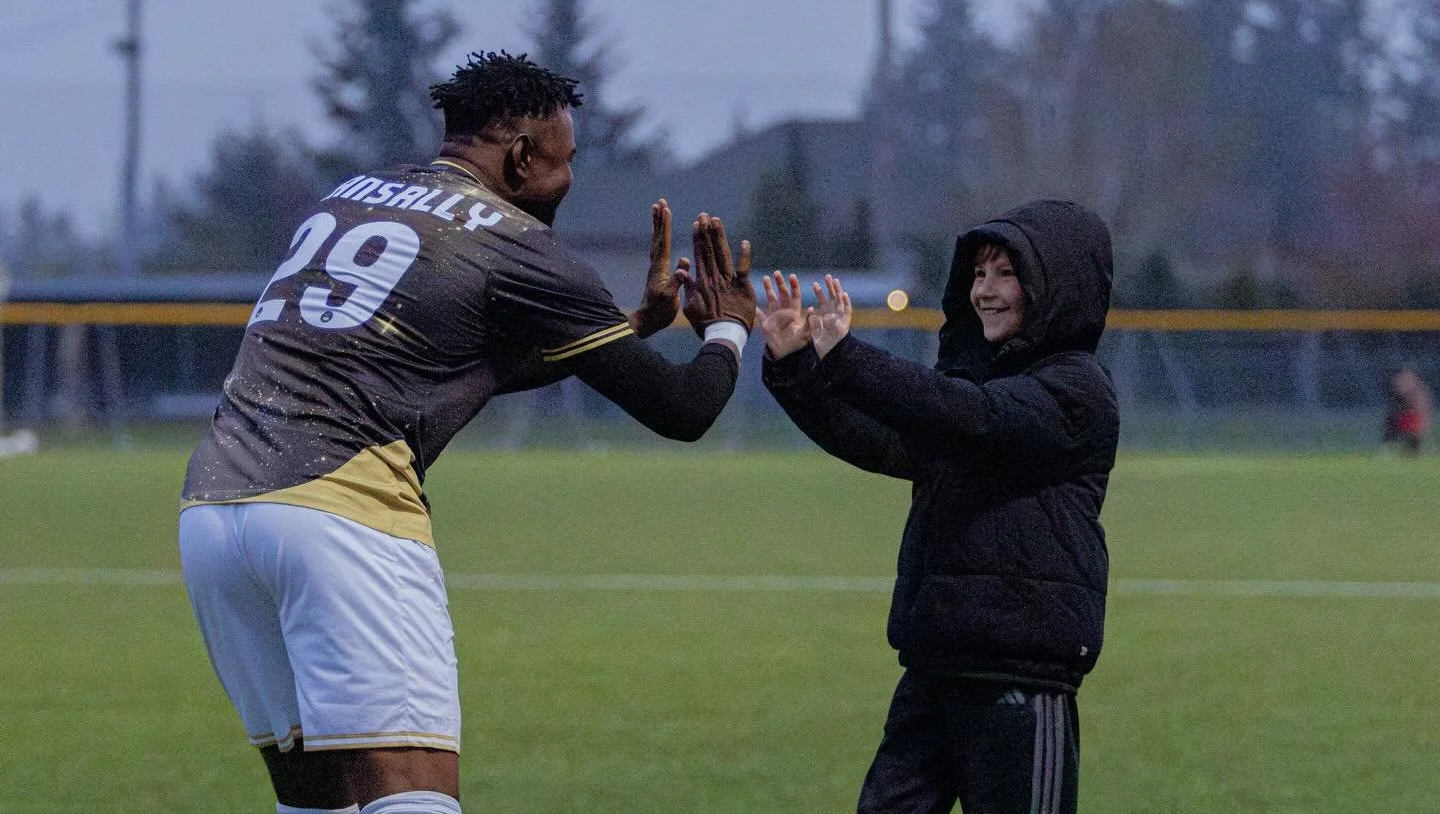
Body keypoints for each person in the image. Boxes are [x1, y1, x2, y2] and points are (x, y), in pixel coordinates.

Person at [178, 50, 756, 814]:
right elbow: (684, 409)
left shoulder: (353, 194)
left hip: (213, 513)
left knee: (317, 802)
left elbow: (431, 368)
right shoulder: (518, 243)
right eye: (564, 160)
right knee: (411, 795)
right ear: (521, 155)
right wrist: (727, 329)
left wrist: (622, 329)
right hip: (341, 517)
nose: (568, 180)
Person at [758, 198, 1118, 814]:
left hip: (1021, 681)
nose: (986, 290)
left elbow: (970, 419)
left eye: (1008, 273)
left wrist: (846, 356)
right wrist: (795, 367)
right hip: (934, 667)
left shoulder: (1076, 390)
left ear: (1056, 286)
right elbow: (883, 443)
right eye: (979, 273)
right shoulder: (978, 389)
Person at [1383, 366, 1433, 454]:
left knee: (1413, 446)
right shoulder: (1396, 396)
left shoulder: (1418, 392)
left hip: (1413, 422)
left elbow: (1424, 410)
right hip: (1401, 421)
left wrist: (1425, 424)